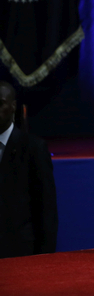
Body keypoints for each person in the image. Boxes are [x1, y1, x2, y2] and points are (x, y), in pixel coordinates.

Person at [0, 80, 58, 258]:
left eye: (0, 103)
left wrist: (43, 259)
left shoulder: (33, 148)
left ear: (13, 106)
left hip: (20, 254)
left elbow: (46, 209)